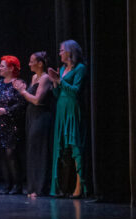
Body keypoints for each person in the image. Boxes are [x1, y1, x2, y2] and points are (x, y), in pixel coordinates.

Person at [49, 40, 87, 198]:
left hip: (72, 109)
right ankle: (61, 187)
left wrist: (60, 81)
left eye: (62, 50)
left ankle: (79, 187)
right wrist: (55, 84)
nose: (59, 53)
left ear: (70, 52)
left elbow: (76, 91)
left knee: (75, 149)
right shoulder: (63, 68)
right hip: (61, 109)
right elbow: (57, 94)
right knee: (61, 150)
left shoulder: (80, 68)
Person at [13, 51, 54, 198]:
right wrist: (21, 90)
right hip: (31, 116)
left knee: (40, 151)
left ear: (40, 63)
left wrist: (22, 91)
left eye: (32, 61)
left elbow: (37, 100)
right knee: (32, 152)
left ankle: (41, 187)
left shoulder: (45, 78)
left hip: (41, 116)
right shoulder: (34, 77)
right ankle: (33, 187)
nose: (29, 64)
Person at [0, 55, 26, 194]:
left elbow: (21, 104)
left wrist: (5, 110)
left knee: (11, 154)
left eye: (2, 66)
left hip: (12, 124)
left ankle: (17, 184)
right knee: (2, 155)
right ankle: (7, 184)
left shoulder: (18, 83)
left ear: (11, 68)